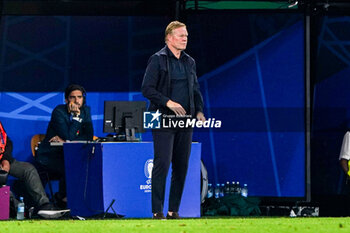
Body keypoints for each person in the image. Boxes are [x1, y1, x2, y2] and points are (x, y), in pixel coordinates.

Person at [141, 21, 205, 219]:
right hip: (160, 118)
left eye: (186, 35)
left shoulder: (190, 62)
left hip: (185, 121)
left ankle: (173, 210)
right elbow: (147, 89)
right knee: (162, 162)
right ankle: (157, 211)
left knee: (182, 165)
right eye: (180, 35)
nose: (185, 38)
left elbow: (195, 90)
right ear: (169, 38)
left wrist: (199, 111)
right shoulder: (157, 60)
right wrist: (168, 102)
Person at [35, 84, 94, 206]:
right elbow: (69, 136)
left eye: (79, 97)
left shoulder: (86, 111)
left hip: (70, 154)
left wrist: (67, 140)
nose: (77, 100)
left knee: (85, 164)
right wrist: (77, 118)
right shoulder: (59, 112)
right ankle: (63, 199)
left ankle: (72, 199)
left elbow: (88, 136)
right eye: (73, 97)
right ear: (66, 100)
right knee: (71, 165)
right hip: (50, 156)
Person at [0, 121, 69, 218]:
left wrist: (6, 159)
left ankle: (44, 205)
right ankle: (17, 208)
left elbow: (7, 142)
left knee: (28, 169)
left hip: (3, 159)